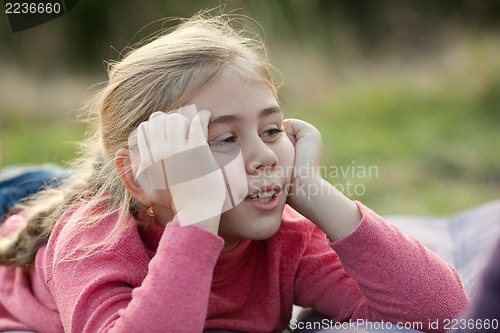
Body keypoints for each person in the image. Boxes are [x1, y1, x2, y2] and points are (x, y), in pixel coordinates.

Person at [0, 11, 469, 333]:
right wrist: (197, 213)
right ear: (142, 177)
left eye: (270, 130)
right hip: (24, 209)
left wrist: (314, 191)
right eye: (223, 139)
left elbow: (446, 313)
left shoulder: (288, 241)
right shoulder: (94, 244)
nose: (264, 156)